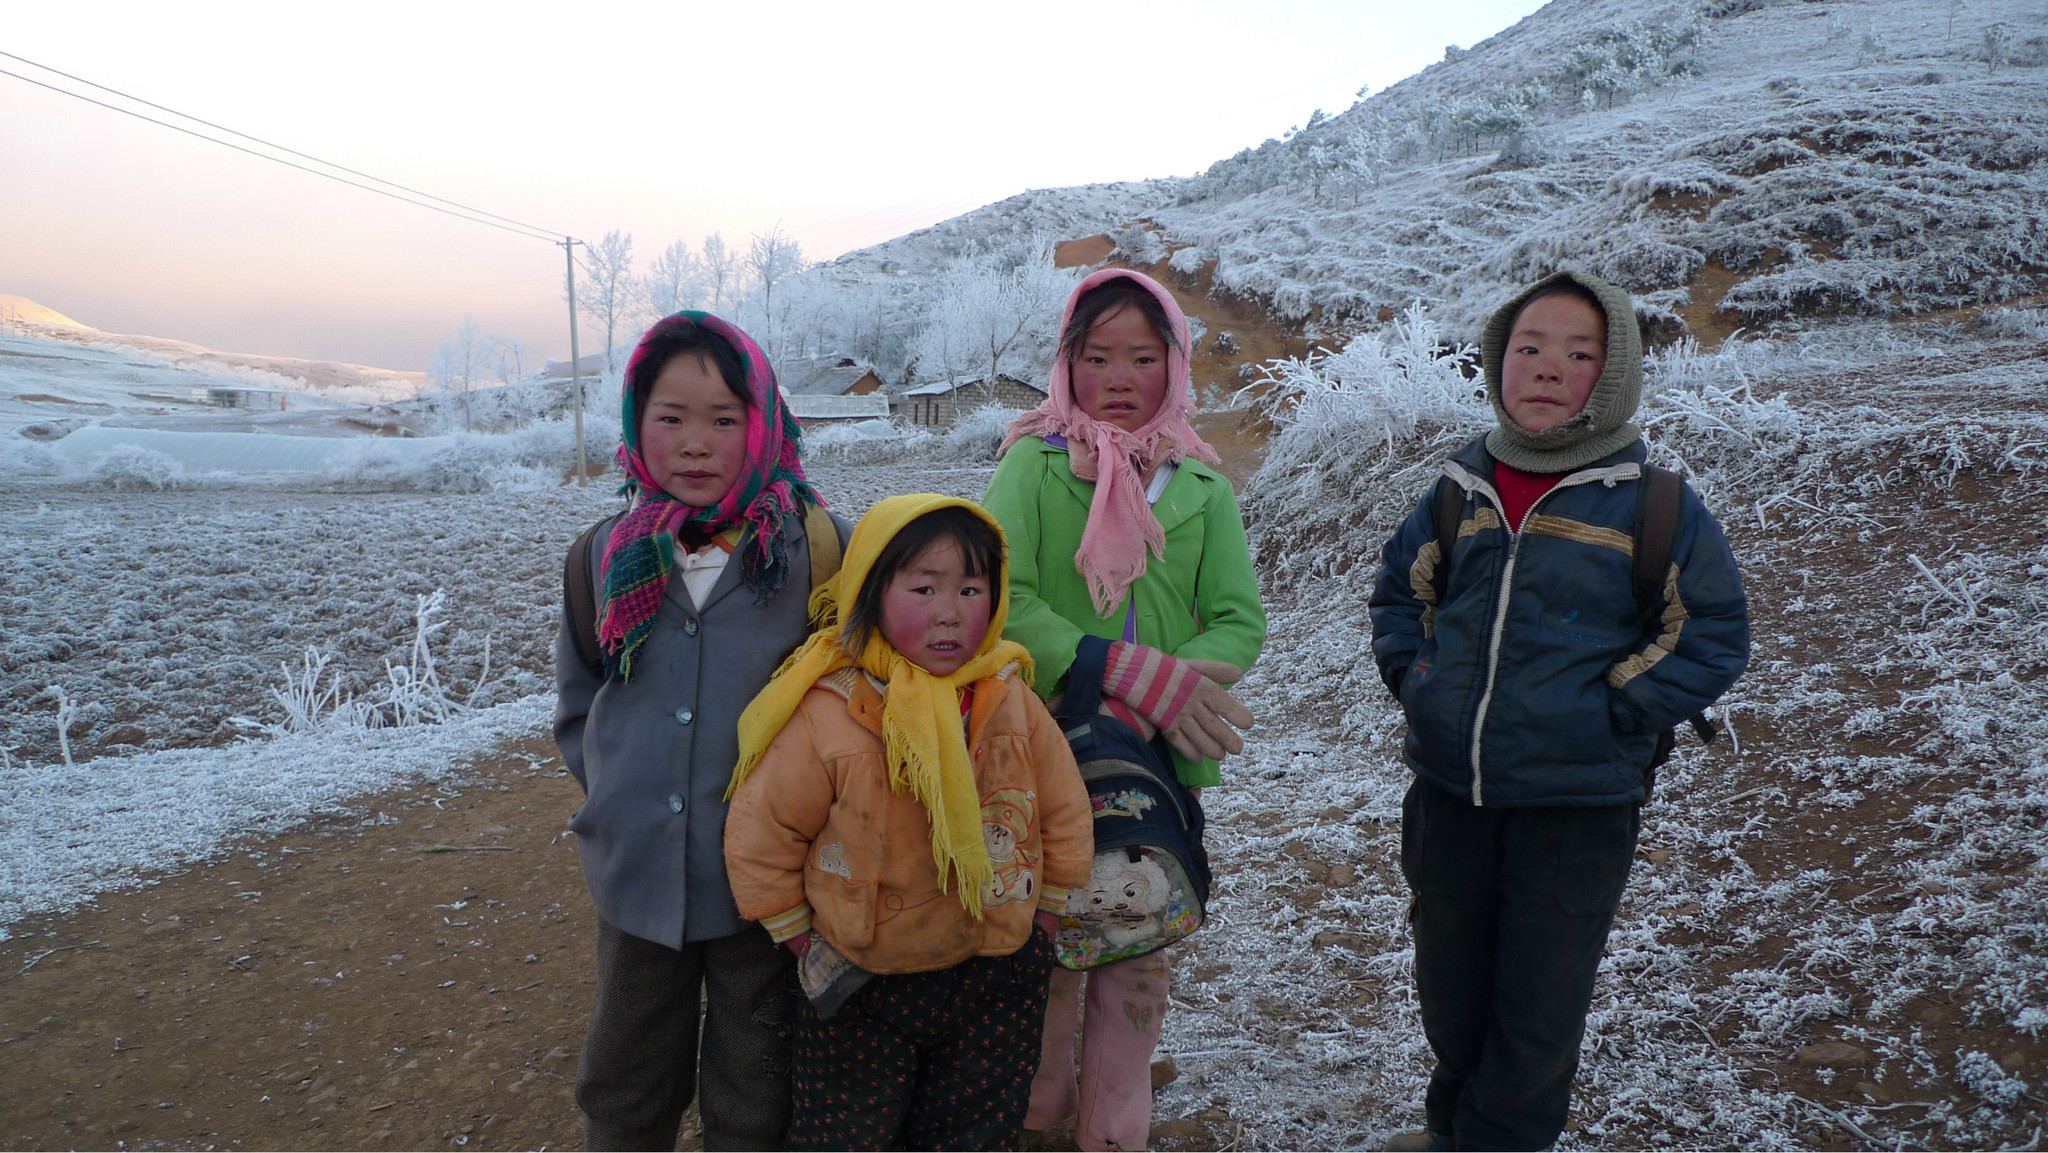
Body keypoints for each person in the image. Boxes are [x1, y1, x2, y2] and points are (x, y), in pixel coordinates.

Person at [1369, 270, 1749, 1151]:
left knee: (1537, 1013)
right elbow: (1400, 595)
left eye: (1578, 354)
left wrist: (1616, 709)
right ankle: (1451, 1130)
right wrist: (1420, 684)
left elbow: (1712, 629)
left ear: (1610, 377)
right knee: (1451, 991)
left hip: (1576, 810)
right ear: (1499, 364)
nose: (1546, 368)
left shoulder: (1654, 503)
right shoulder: (1458, 486)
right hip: (1449, 796)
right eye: (1528, 349)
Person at [984, 268, 1267, 1151]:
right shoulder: (1030, 468)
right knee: (1048, 951)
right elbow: (1004, 595)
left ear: (1174, 366)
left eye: (1142, 356)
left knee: (1134, 946)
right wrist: (1124, 676)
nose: (1118, 375)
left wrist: (1164, 694)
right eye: (1096, 354)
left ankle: (1117, 1130)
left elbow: (1238, 620)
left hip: (1156, 763)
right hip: (1045, 748)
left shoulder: (1204, 491)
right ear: (1066, 364)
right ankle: (1038, 1111)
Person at [553, 311, 846, 1151]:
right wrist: (619, 794)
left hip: (769, 886)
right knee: (624, 1076)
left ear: (762, 426)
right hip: (637, 872)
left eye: (725, 419)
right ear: (636, 422)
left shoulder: (812, 552)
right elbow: (580, 701)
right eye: (670, 416)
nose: (694, 442)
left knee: (753, 1077)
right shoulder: (603, 556)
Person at [723, 494, 1094, 1151]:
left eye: (971, 588)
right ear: (871, 589)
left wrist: (1045, 915)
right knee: (846, 1132)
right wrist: (803, 938)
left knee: (975, 1128)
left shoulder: (1010, 697)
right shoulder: (832, 707)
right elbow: (764, 829)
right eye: (924, 587)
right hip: (862, 978)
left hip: (995, 970)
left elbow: (1061, 807)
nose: (950, 612)